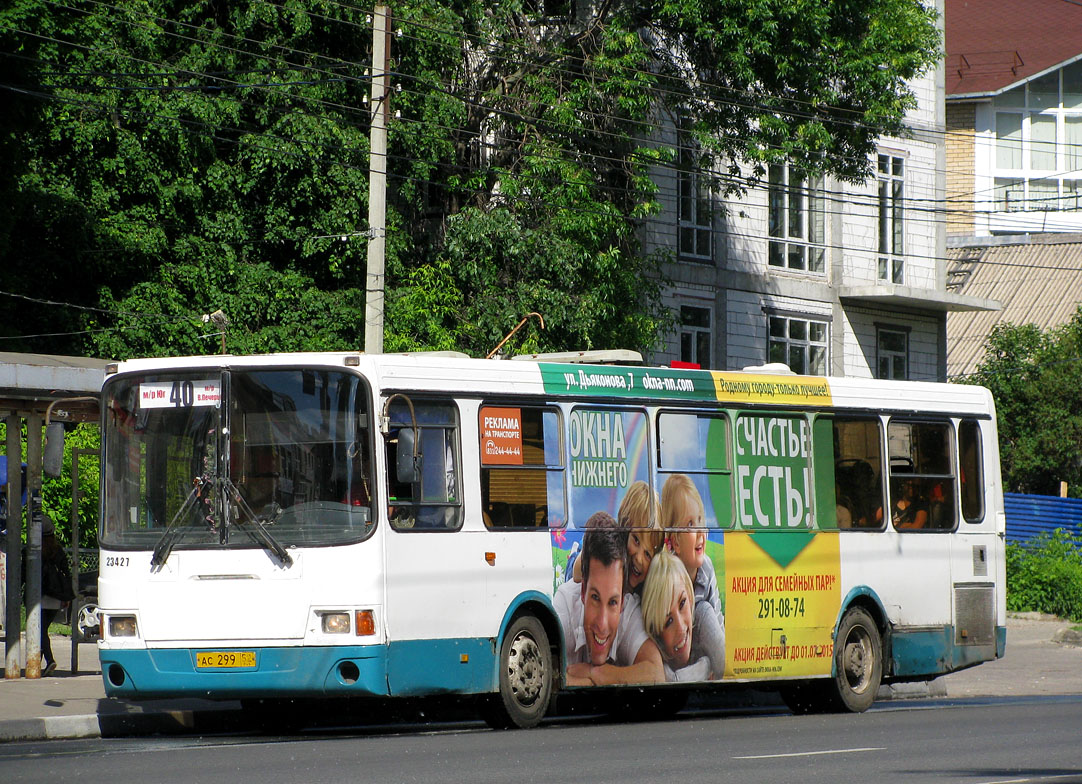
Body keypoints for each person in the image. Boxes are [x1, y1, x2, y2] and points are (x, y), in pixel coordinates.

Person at [553, 513, 664, 686]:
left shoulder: (629, 609)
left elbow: (656, 674)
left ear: (622, 600)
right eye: (595, 598)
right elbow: (546, 679)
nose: (602, 624)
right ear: (583, 591)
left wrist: (596, 674)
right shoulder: (565, 605)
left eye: (613, 602)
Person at [660, 474, 726, 677]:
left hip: (696, 645)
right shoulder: (665, 574)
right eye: (689, 525)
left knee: (705, 611)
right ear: (675, 541)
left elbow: (716, 620)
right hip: (672, 652)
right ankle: (704, 669)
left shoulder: (705, 567)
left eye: (700, 521)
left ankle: (724, 669)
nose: (699, 532)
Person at [569, 480, 664, 594]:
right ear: (625, 529)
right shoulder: (611, 544)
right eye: (636, 540)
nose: (639, 558)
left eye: (647, 554)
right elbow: (577, 574)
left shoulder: (646, 584)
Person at [641, 549, 713, 681]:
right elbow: (675, 680)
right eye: (668, 621)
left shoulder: (702, 618)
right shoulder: (656, 666)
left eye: (682, 603)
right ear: (656, 633)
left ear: (690, 597)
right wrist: (707, 665)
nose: (680, 628)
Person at [37, 515, 74, 676]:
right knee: (42, 628)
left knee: (40, 629)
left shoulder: (34, 549)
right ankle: (37, 659)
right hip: (56, 597)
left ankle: (49, 659)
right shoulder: (58, 551)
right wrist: (65, 597)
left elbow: (25, 574)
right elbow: (66, 574)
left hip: (40, 595)